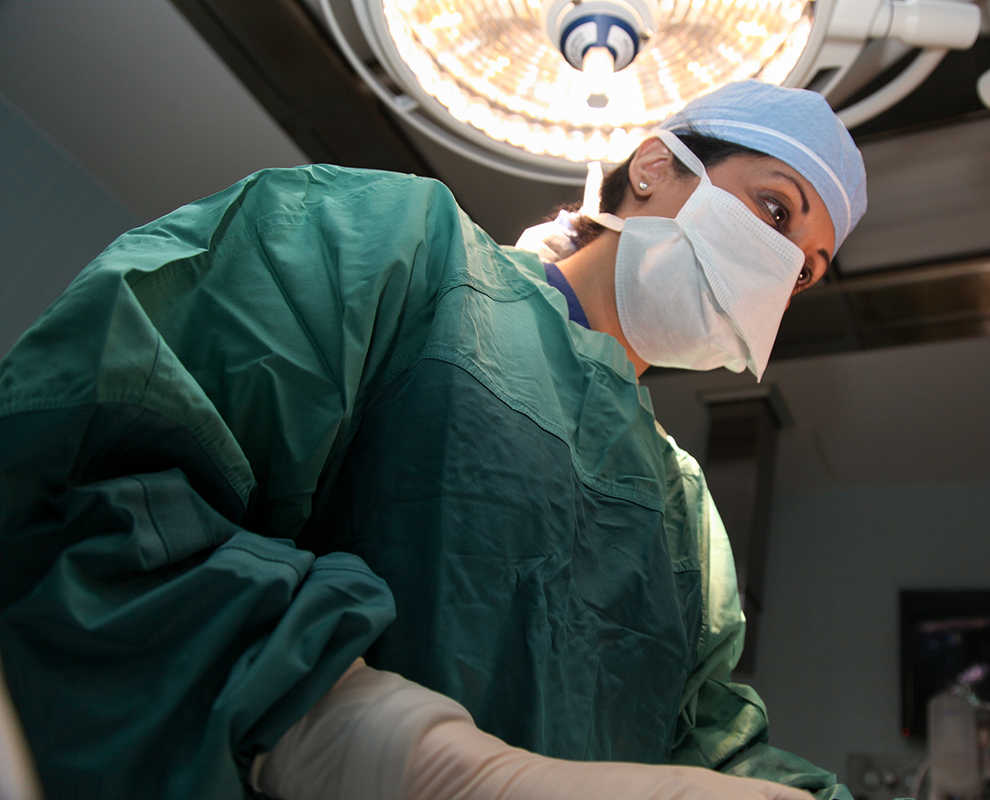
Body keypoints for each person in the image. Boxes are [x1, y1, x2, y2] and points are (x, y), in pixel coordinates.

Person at [0, 80, 866, 800]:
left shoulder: (683, 517)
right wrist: (351, 734)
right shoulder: (404, 252)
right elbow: (99, 480)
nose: (782, 268)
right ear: (654, 166)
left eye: (807, 269)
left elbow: (702, 746)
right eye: (773, 209)